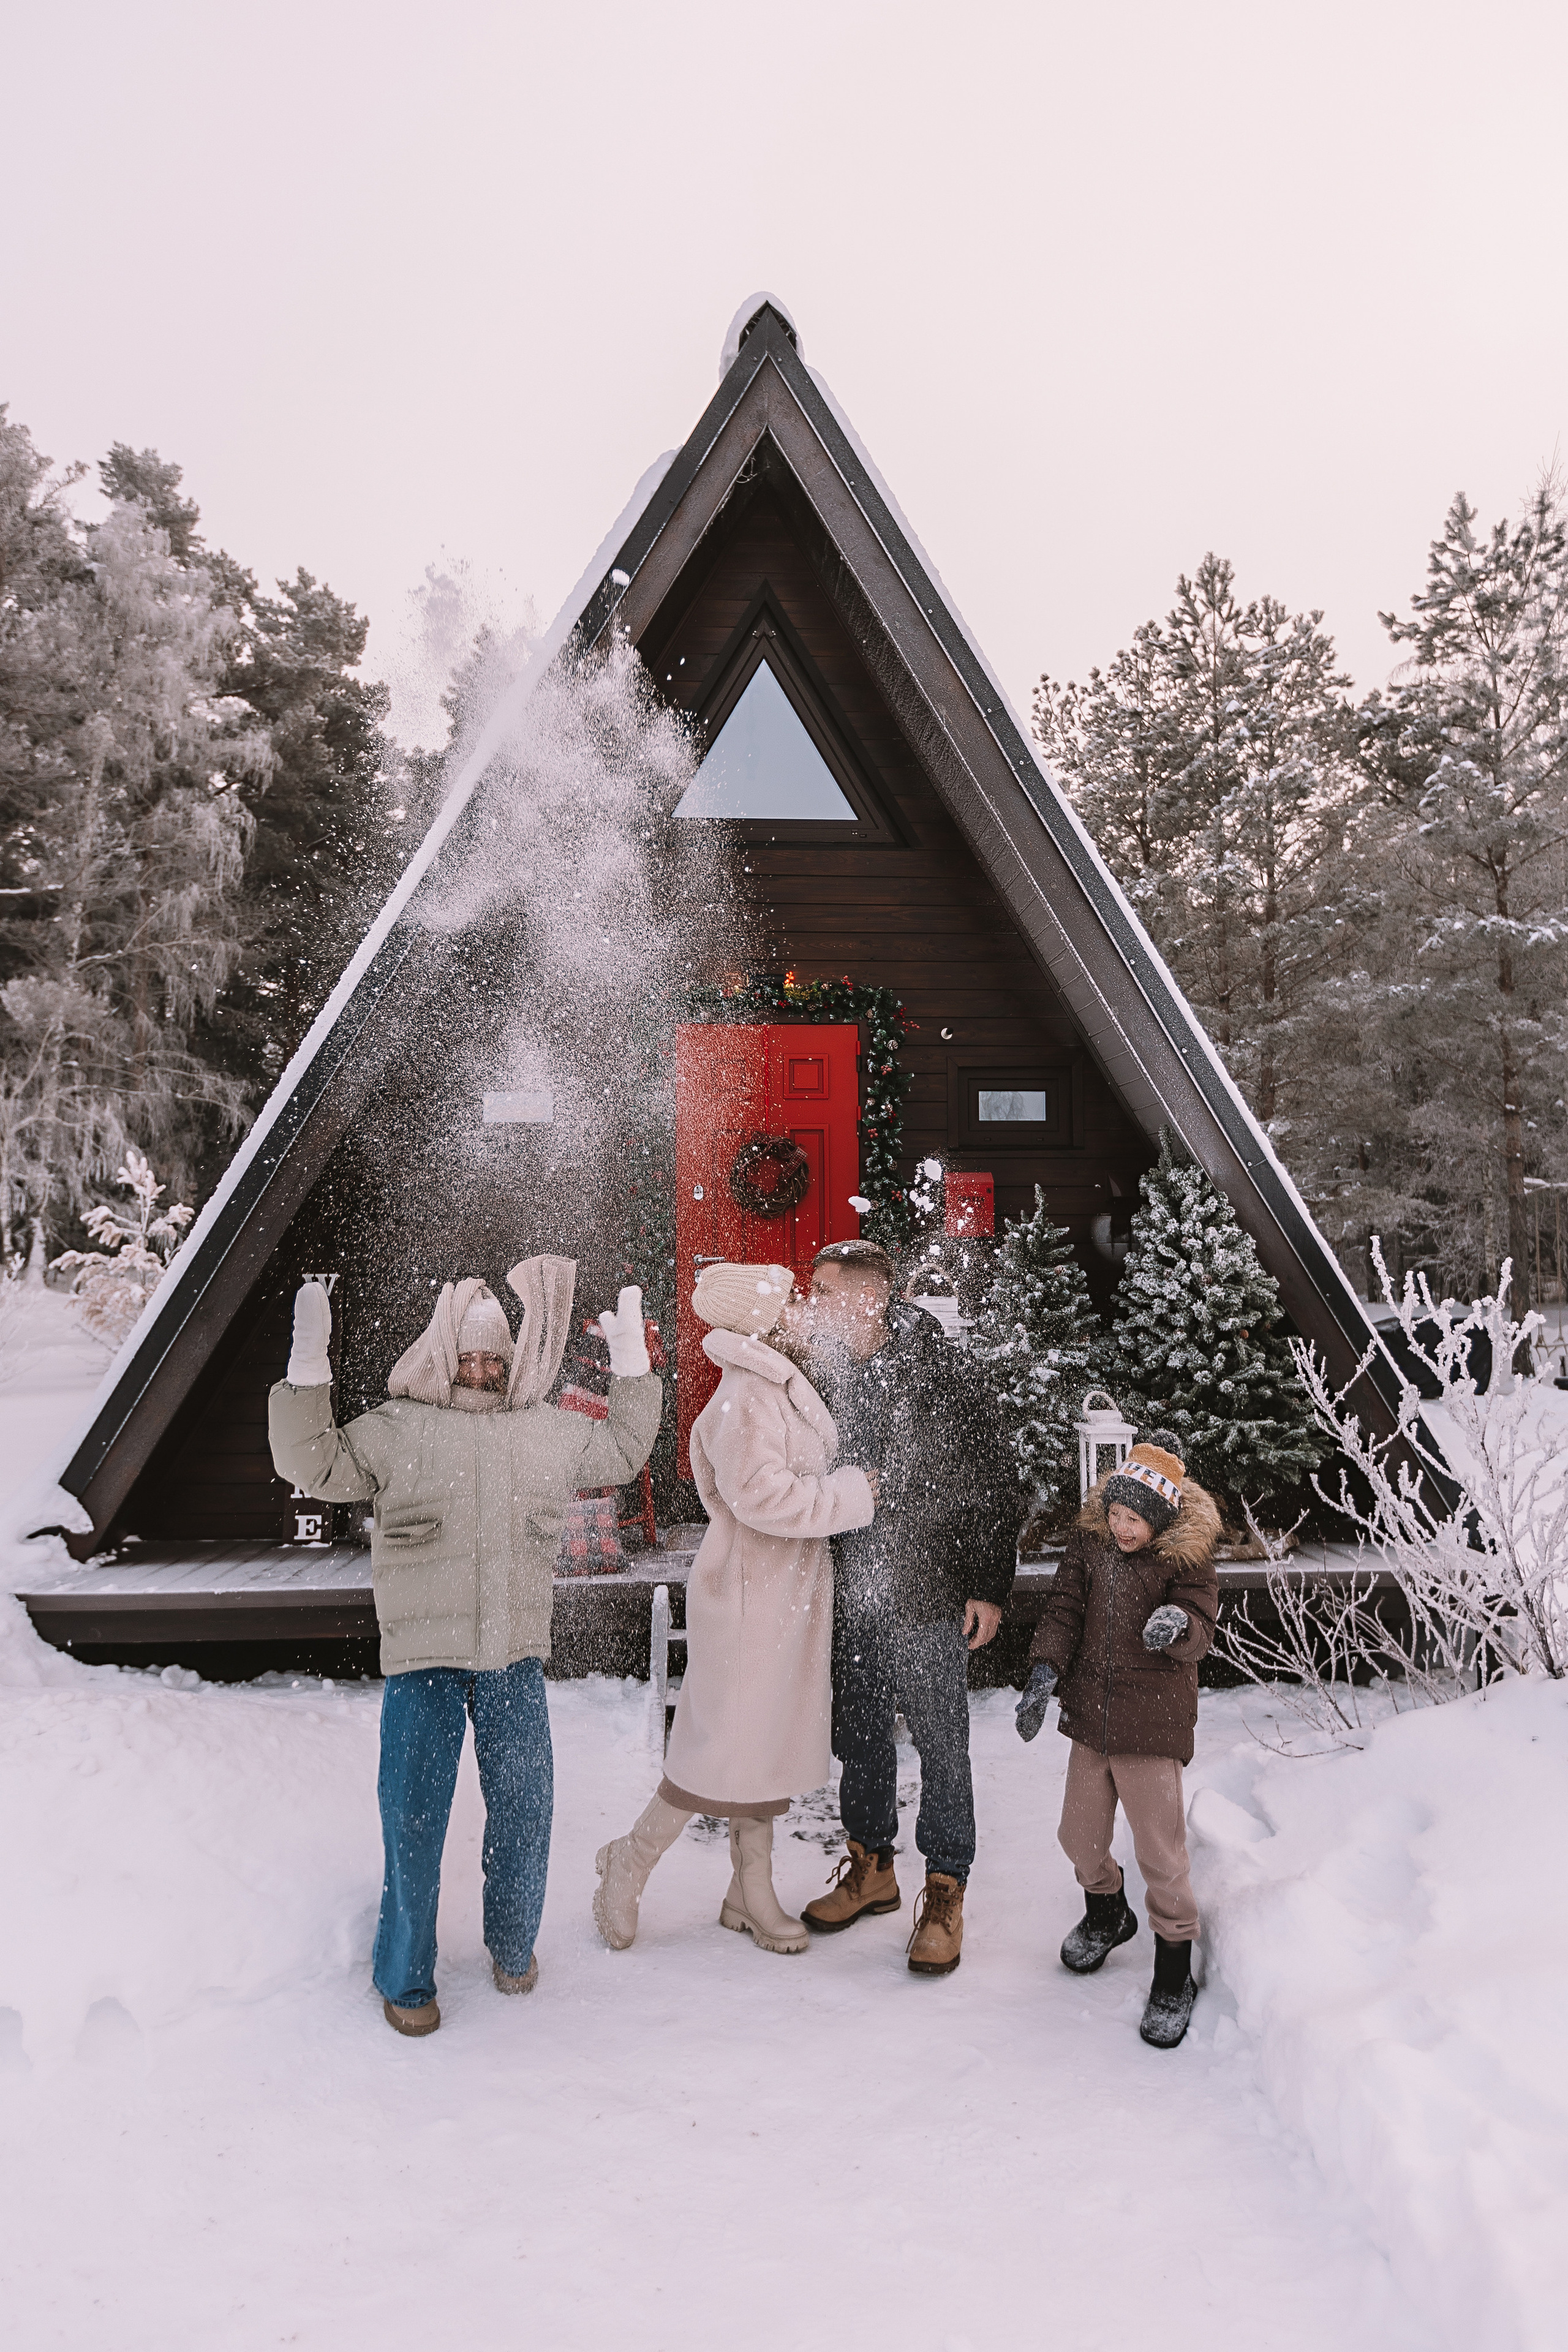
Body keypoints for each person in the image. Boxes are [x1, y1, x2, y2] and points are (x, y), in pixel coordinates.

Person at [269, 1258, 662, 2038]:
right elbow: (311, 1463)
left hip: (513, 1656)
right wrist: (306, 1374)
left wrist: (632, 1366)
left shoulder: (542, 1431)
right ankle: (405, 1978)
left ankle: (513, 1949)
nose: (482, 1371)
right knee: (414, 1819)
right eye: (470, 1356)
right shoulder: (396, 1427)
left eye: (496, 1359)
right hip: (425, 1662)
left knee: (525, 1810)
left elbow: (621, 1452)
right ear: (443, 1354)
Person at [593, 1262, 875, 1956]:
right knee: (718, 1752)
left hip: (781, 1591)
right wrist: (851, 1493)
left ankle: (749, 1892)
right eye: (791, 1303)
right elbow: (764, 1499)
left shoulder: (772, 1382)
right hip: (752, 1593)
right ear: (766, 1321)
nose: (805, 1311)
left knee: (758, 1751)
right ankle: (630, 1859)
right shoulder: (745, 1397)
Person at [799, 1239, 1022, 1977]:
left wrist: (988, 1583)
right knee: (859, 1734)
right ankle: (873, 1866)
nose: (814, 1303)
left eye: (826, 1291)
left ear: (869, 1296)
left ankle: (946, 1885)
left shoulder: (940, 1375)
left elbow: (995, 1479)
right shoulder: (823, 1375)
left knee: (940, 1743)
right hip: (852, 1587)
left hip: (927, 1589)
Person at [1014, 1431, 1220, 2049]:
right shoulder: (1091, 1547)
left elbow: (1200, 1623)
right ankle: (1108, 1913)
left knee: (1160, 1853)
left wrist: (1177, 1624)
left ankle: (1173, 1968)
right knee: (1077, 1836)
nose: (1121, 1527)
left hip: (1151, 1724)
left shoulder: (1185, 1557)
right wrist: (1043, 1673)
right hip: (1091, 1717)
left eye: (1133, 1519)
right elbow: (1063, 1611)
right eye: (1115, 1514)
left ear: (1157, 1520)